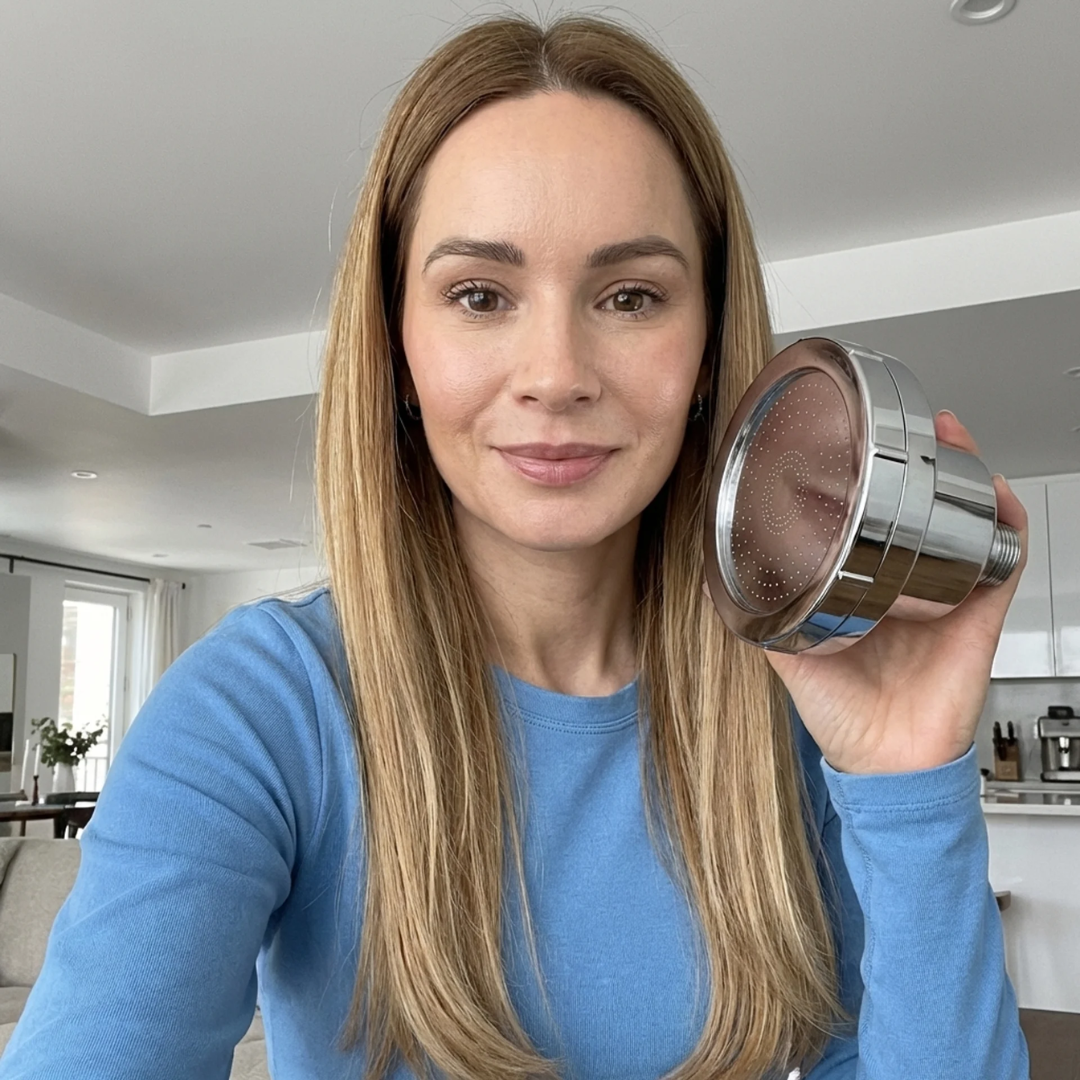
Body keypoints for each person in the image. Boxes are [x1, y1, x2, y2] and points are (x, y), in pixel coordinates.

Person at [0, 13, 1030, 1080]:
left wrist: (910, 775)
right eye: (480, 295)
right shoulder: (256, 709)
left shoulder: (804, 701)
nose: (556, 374)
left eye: (631, 296)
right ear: (397, 349)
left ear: (707, 347)